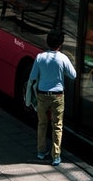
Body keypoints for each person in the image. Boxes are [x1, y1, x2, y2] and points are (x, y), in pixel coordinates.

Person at [28, 30, 77, 166]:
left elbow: (32, 77)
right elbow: (73, 75)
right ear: (60, 44)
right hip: (58, 96)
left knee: (42, 124)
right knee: (57, 126)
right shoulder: (63, 58)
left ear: (47, 42)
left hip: (42, 95)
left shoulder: (40, 57)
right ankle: (55, 156)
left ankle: (40, 151)